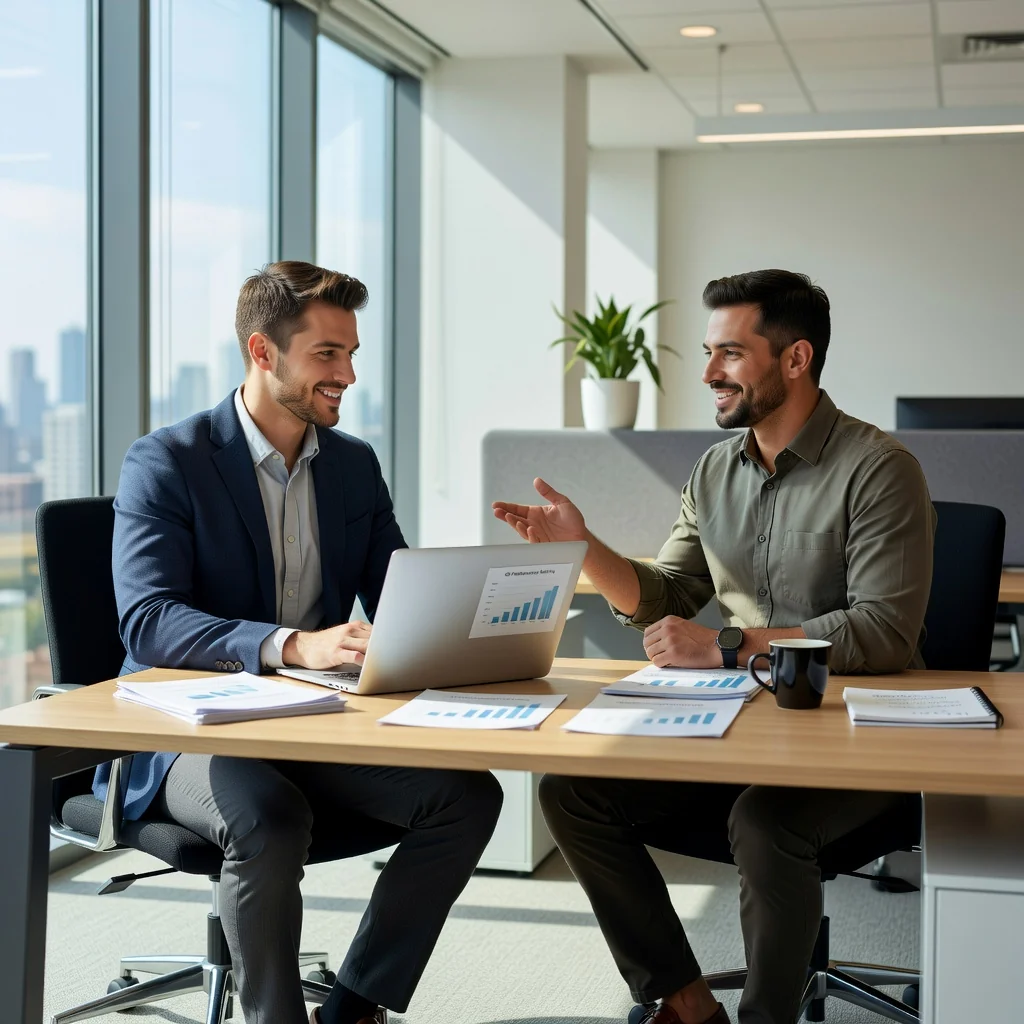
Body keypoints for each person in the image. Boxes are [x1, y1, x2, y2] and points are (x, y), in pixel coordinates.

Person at [492, 270, 935, 1024]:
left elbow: (883, 631)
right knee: (573, 792)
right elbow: (667, 596)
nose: (707, 374)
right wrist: (584, 547)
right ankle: (688, 1003)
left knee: (766, 822)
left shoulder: (878, 469)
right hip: (737, 729)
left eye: (729, 353)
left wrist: (728, 645)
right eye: (708, 352)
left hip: (857, 743)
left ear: (795, 359)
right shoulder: (714, 470)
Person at [94, 261, 503, 1024]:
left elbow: (397, 600)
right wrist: (292, 645)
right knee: (270, 819)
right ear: (263, 351)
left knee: (467, 796)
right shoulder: (168, 460)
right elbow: (148, 620)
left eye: (351, 353)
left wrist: (479, 625)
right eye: (327, 354)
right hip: (186, 732)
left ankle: (353, 1009)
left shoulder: (353, 466)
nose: (347, 374)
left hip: (313, 722)